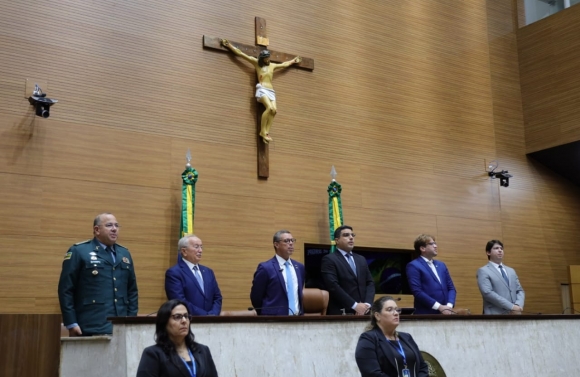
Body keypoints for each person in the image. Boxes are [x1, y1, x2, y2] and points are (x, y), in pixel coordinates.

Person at [58, 213, 138, 336]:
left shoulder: (124, 253)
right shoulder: (79, 251)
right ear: (97, 230)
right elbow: (66, 290)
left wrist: (131, 320)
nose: (114, 229)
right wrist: (71, 323)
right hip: (91, 325)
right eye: (109, 225)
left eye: (117, 225)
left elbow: (132, 291)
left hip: (122, 326)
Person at [221, 39, 302, 144]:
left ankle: (267, 132)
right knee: (269, 108)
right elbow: (242, 54)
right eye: (267, 58)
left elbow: (283, 65)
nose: (268, 59)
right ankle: (262, 131)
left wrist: (293, 61)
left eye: (269, 58)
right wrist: (230, 46)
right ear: (263, 58)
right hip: (262, 89)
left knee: (275, 111)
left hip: (271, 90)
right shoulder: (257, 64)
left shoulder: (272, 66)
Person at [136, 299, 218, 377]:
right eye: (177, 317)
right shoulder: (153, 354)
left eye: (186, 316)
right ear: (164, 322)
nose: (184, 321)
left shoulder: (203, 351)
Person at [355, 296, 429, 377]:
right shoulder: (368, 339)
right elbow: (372, 373)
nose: (396, 313)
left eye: (397, 310)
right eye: (389, 309)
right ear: (377, 316)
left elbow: (423, 367)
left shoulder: (407, 337)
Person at [320, 225, 375, 315]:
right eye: (346, 235)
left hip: (365, 312)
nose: (351, 238)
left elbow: (370, 283)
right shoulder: (329, 259)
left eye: (352, 235)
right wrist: (355, 305)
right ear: (337, 240)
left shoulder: (361, 259)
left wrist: (367, 304)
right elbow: (333, 286)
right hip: (342, 312)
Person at [250, 230, 305, 315]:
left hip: (297, 319)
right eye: (286, 241)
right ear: (276, 244)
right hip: (274, 321)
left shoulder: (300, 267)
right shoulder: (265, 268)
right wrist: (266, 314)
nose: (291, 243)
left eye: (292, 240)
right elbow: (256, 297)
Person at [165, 235, 222, 316]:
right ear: (184, 251)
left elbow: (217, 297)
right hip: (188, 321)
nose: (200, 250)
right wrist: (204, 316)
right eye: (196, 247)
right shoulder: (174, 273)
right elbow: (179, 301)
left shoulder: (208, 272)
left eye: (201, 247)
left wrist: (213, 314)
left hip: (211, 321)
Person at [406, 234, 456, 315]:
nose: (435, 246)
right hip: (426, 314)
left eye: (435, 243)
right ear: (422, 248)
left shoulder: (441, 265)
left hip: (446, 313)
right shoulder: (414, 265)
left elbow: (451, 288)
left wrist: (449, 306)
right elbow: (417, 292)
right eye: (432, 244)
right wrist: (439, 307)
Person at [476, 240, 525, 314]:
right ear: (488, 252)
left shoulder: (511, 271)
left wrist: (517, 305)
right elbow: (487, 293)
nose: (500, 250)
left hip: (515, 314)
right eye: (496, 248)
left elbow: (519, 290)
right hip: (495, 315)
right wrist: (511, 307)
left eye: (501, 248)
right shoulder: (483, 271)